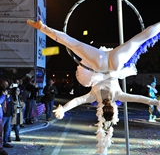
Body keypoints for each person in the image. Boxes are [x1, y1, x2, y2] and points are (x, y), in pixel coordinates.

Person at [27, 19, 160, 155]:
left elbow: (138, 98)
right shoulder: (95, 97)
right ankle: (42, 27)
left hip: (115, 63)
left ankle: (42, 27)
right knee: (73, 44)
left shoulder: (117, 95)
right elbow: (78, 100)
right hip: (100, 63)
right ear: (100, 110)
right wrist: (64, 109)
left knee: (140, 39)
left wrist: (156, 102)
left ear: (114, 109)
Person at [2, 83, 14, 148]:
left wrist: (13, 112)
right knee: (1, 129)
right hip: (3, 115)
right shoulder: (2, 94)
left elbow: (11, 104)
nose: (6, 85)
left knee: (7, 129)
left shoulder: (9, 95)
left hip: (8, 114)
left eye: (7, 84)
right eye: (4, 84)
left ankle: (5, 142)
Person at [0, 81, 9, 155]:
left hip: (1, 115)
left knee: (0, 134)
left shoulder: (3, 92)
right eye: (4, 84)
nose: (5, 86)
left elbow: (5, 102)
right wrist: (3, 95)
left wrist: (7, 97)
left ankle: (1, 149)